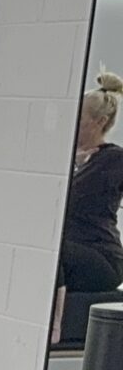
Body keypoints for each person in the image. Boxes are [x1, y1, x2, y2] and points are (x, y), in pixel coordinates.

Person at [61, 72, 123, 301]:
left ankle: (54, 323)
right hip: (75, 250)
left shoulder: (114, 159)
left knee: (56, 254)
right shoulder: (69, 160)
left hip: (102, 258)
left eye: (80, 119)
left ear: (100, 122)